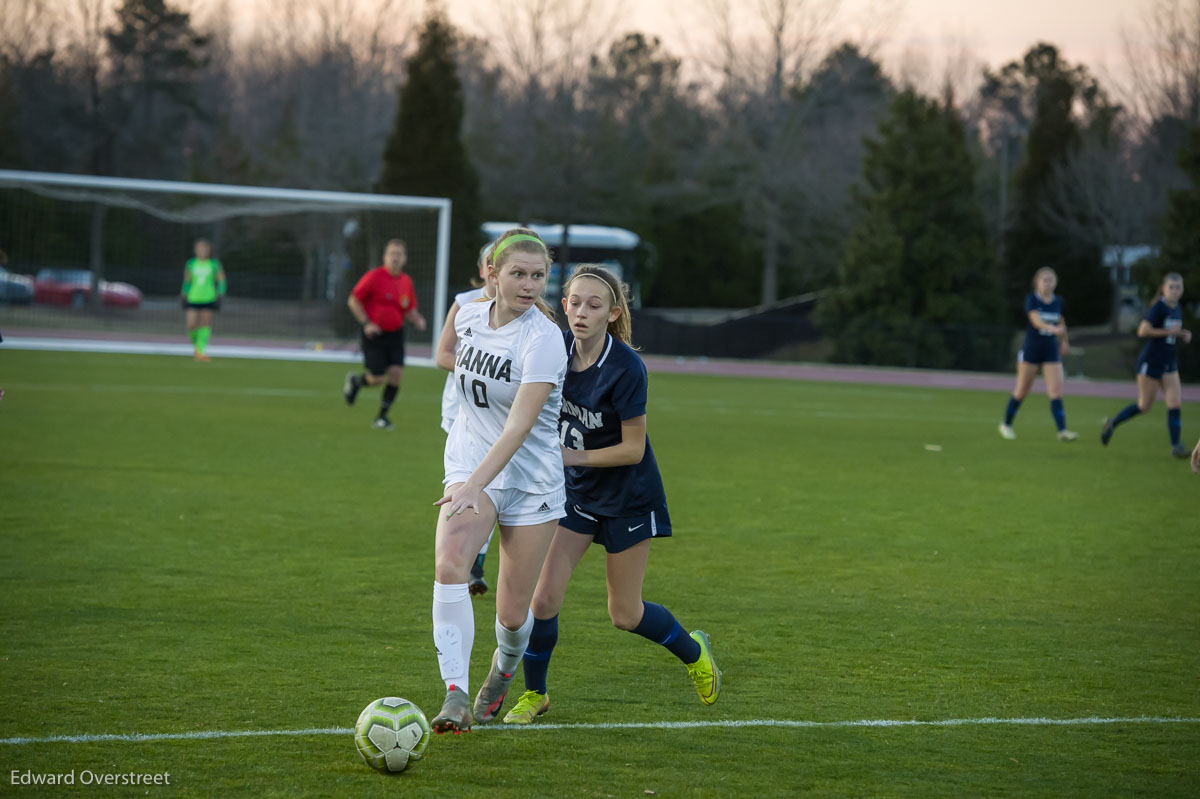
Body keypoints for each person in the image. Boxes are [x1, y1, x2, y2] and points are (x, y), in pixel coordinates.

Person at [501, 264, 721, 727]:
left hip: (628, 497)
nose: (581, 312)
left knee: (624, 613)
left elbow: (633, 448)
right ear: (563, 305)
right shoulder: (553, 351)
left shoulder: (626, 367)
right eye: (574, 302)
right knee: (543, 600)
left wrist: (569, 458)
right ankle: (535, 694)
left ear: (613, 313)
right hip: (577, 496)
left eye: (594, 305)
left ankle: (693, 651)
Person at [428, 228, 568, 734]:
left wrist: (473, 485)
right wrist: (467, 483)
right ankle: (455, 695)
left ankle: (503, 671)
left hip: (531, 482)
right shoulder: (467, 317)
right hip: (471, 467)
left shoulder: (545, 339)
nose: (530, 285)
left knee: (512, 616)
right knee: (450, 565)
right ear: (493, 273)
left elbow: (519, 427)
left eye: (538, 276)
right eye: (518, 274)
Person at [435, 242, 497, 595]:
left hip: (501, 414)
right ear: (482, 269)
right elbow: (443, 354)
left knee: (492, 483)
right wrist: (477, 372)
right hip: (460, 409)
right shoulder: (465, 303)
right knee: (468, 482)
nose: (494, 269)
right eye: (490, 263)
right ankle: (468, 559)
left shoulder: (527, 310)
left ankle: (475, 558)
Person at [1100, 273, 1192, 457]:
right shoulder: (1159, 307)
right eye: (1171, 287)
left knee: (1174, 403)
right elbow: (1143, 331)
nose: (1175, 290)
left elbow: (1170, 333)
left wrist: (1181, 334)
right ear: (1163, 288)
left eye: (1178, 287)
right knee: (1144, 406)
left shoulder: (1177, 308)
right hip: (1151, 361)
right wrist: (1169, 331)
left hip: (1169, 361)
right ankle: (1113, 422)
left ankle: (1176, 447)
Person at [343, 239, 427, 429]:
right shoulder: (373, 277)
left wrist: (417, 319)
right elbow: (353, 300)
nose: (395, 258)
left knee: (396, 375)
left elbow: (408, 308)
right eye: (392, 254)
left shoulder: (406, 281)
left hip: (396, 334)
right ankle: (356, 381)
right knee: (377, 378)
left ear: (405, 258)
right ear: (385, 257)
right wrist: (366, 323)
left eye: (399, 254)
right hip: (374, 335)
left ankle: (381, 417)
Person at [998, 267, 1079, 441]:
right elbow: (1036, 321)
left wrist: (1064, 341)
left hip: (1050, 349)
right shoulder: (1032, 300)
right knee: (1021, 391)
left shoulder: (1058, 301)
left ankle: (1062, 431)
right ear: (1037, 282)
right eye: (1044, 279)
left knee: (1056, 391)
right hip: (1032, 349)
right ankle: (1006, 424)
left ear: (1055, 282)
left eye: (1051, 279)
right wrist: (1052, 328)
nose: (1048, 283)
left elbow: (1061, 321)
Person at [181, 239, 227, 362]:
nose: (202, 251)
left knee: (204, 325)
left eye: (205, 248)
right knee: (191, 325)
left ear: (209, 250)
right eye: (200, 248)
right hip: (193, 297)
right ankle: (197, 346)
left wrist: (220, 294)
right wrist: (183, 294)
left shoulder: (214, 264)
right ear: (195, 250)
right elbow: (187, 281)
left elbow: (222, 280)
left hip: (209, 297)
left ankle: (200, 351)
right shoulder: (191, 264)